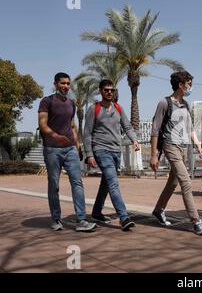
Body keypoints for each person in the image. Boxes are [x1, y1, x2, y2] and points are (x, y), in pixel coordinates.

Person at [150, 71, 202, 235]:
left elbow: (189, 128)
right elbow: (155, 130)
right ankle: (196, 221)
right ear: (180, 85)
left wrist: (197, 144)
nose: (190, 86)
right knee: (186, 182)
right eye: (188, 83)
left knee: (173, 182)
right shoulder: (164, 103)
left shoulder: (187, 104)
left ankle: (158, 209)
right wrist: (154, 155)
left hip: (184, 147)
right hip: (170, 145)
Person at [38, 72, 96, 232]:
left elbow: (72, 126)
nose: (65, 86)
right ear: (55, 84)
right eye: (62, 83)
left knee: (77, 182)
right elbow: (43, 124)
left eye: (68, 84)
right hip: (52, 149)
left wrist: (78, 146)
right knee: (54, 184)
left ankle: (81, 220)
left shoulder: (71, 103)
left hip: (70, 148)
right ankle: (56, 219)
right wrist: (56, 136)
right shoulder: (46, 101)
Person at [83, 80, 138, 231]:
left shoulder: (118, 108)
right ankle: (124, 217)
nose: (109, 92)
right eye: (106, 90)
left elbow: (127, 126)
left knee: (106, 183)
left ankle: (95, 212)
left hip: (116, 151)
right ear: (100, 91)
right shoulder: (94, 109)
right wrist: (89, 154)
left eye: (112, 90)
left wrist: (134, 140)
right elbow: (87, 133)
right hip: (101, 150)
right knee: (113, 183)